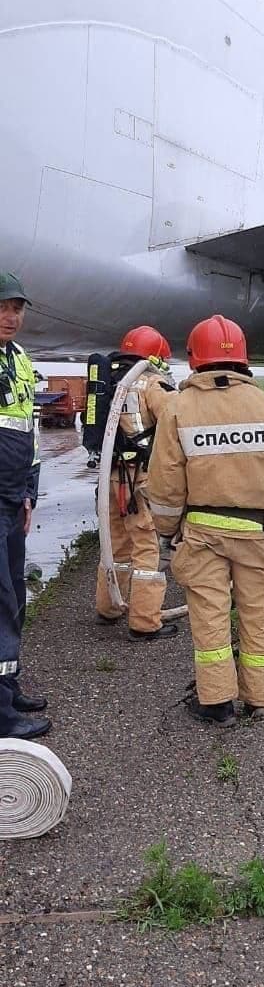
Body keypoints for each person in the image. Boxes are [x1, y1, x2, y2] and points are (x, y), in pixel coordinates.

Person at [147, 315, 264, 727]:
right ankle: (260, 700)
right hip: (258, 532)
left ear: (196, 359)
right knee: (258, 615)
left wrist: (166, 531)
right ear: (244, 361)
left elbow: (164, 484)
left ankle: (217, 704)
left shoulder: (178, 409)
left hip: (202, 534)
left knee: (210, 616)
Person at [95, 326, 177, 640]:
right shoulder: (151, 383)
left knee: (115, 545)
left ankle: (108, 607)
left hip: (112, 476)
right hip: (139, 479)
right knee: (146, 549)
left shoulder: (110, 383)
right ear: (154, 356)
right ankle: (144, 623)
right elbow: (176, 419)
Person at [0, 273, 50, 739]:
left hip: (13, 499)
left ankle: (7, 685)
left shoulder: (18, 361)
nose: (11, 317)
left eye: (17, 307)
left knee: (14, 595)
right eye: (2, 307)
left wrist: (29, 492)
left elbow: (27, 435)